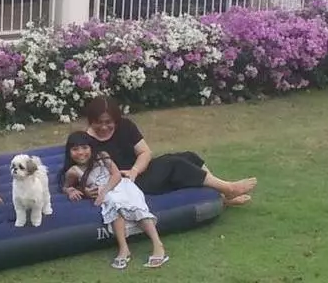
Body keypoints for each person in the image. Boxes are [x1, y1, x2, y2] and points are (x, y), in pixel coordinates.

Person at [80, 96, 256, 204]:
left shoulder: (125, 126)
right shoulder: (85, 142)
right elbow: (75, 170)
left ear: (116, 120)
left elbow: (144, 152)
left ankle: (221, 197)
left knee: (189, 156)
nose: (104, 127)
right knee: (174, 163)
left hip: (137, 173)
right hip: (124, 186)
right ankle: (228, 189)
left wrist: (134, 170)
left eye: (108, 122)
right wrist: (84, 190)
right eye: (99, 122)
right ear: (91, 120)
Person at [59, 131, 168, 270]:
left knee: (134, 205)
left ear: (91, 147)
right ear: (69, 152)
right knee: (113, 204)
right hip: (107, 195)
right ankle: (124, 248)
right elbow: (66, 186)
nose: (81, 152)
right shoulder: (73, 171)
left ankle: (157, 245)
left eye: (85, 147)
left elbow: (116, 175)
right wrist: (72, 191)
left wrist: (103, 192)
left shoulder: (102, 156)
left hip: (119, 185)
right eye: (75, 149)